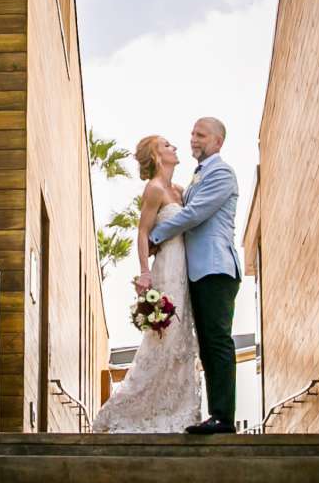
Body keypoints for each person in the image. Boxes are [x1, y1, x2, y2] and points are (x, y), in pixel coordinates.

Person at [93, 134, 201, 433]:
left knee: (182, 340)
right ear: (156, 156)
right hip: (167, 265)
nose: (175, 147)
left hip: (187, 267)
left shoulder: (179, 190)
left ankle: (178, 407)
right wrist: (144, 272)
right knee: (164, 338)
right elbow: (142, 232)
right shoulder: (154, 189)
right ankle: (128, 408)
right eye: (167, 145)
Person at [147, 115, 241, 434]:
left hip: (216, 268)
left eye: (201, 134)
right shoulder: (196, 176)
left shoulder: (222, 174)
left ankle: (224, 418)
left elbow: (194, 214)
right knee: (206, 344)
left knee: (217, 341)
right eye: (192, 133)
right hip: (198, 272)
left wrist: (154, 236)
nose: (193, 139)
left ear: (217, 142)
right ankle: (216, 414)